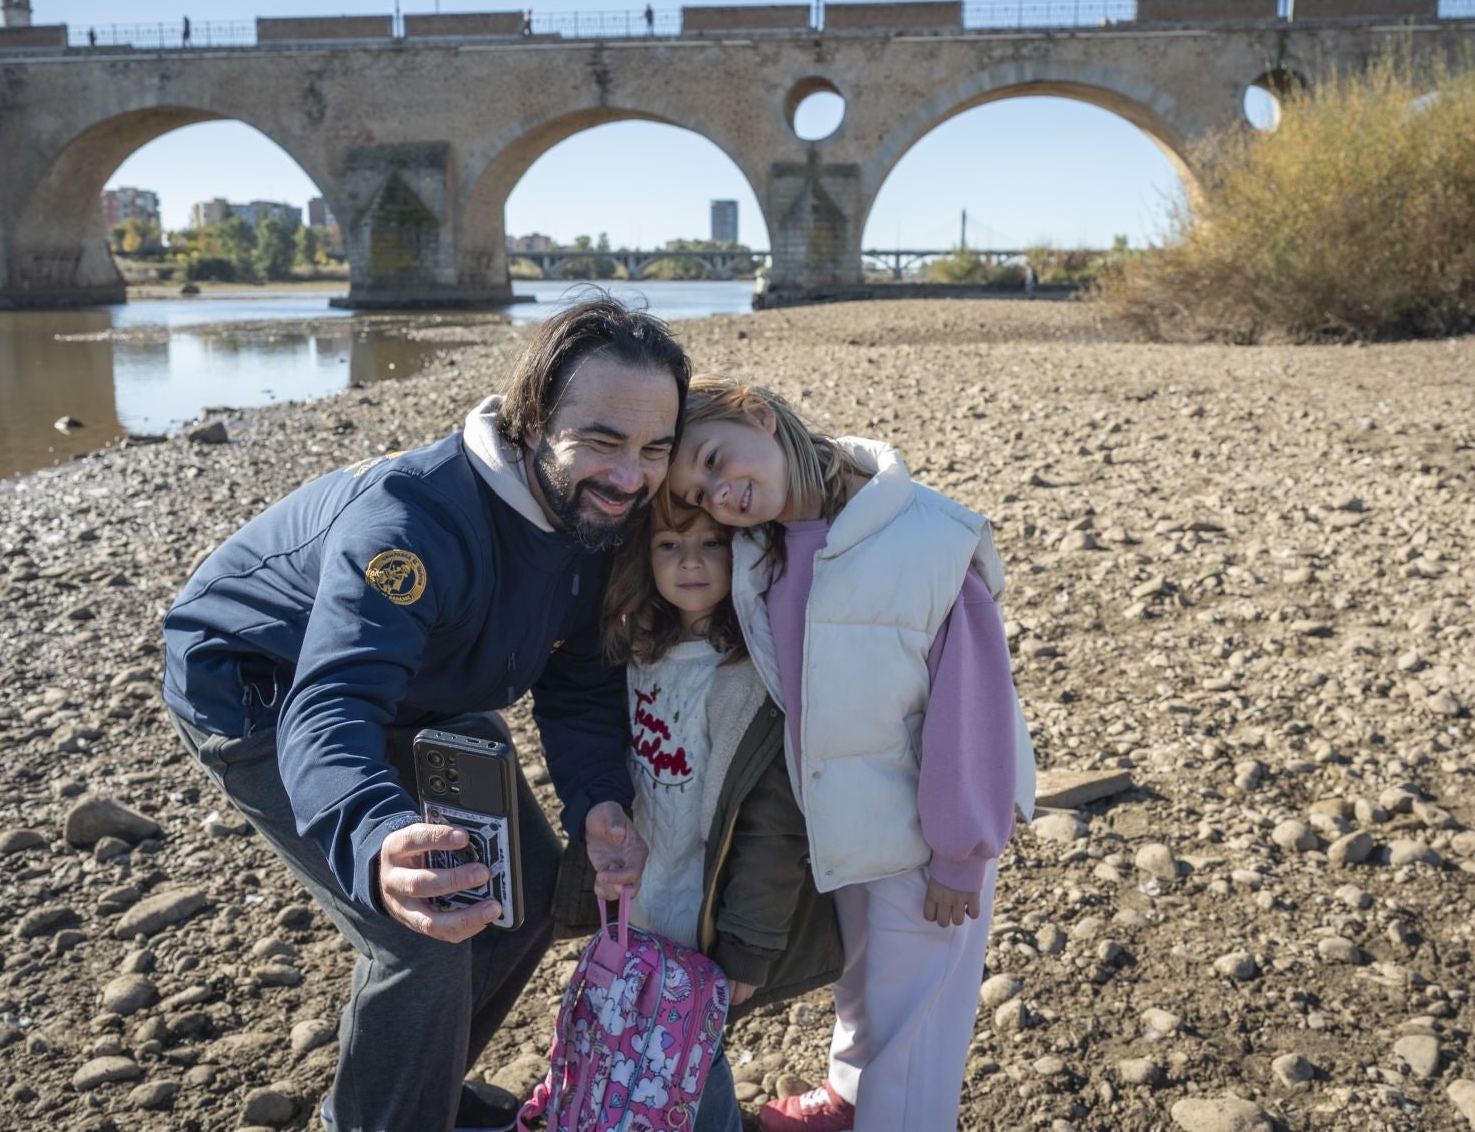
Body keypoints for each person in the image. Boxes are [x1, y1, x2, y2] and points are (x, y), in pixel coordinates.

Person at [163, 297, 690, 1132]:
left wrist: (598, 800)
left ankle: (410, 1097)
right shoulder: (410, 524)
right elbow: (331, 705)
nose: (631, 476)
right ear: (529, 418)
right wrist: (377, 840)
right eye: (601, 440)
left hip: (429, 690)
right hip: (260, 685)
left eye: (654, 448)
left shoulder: (601, 517)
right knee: (425, 932)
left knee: (526, 899)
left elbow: (580, 681)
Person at [667, 376, 1039, 1132]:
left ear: (760, 416)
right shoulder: (761, 553)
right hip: (843, 819)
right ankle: (851, 1098)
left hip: (927, 832)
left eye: (714, 459)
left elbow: (975, 707)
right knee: (863, 981)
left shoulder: (926, 538)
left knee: (917, 1024)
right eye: (698, 493)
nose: (718, 493)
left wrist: (960, 853)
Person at [554, 496, 842, 1131]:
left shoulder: (751, 676)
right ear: (642, 555)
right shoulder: (635, 649)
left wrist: (747, 943)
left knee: (694, 1048)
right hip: (643, 895)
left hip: (704, 911)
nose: (689, 562)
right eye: (668, 545)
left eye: (710, 543)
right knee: (653, 1045)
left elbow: (775, 824)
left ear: (744, 549)